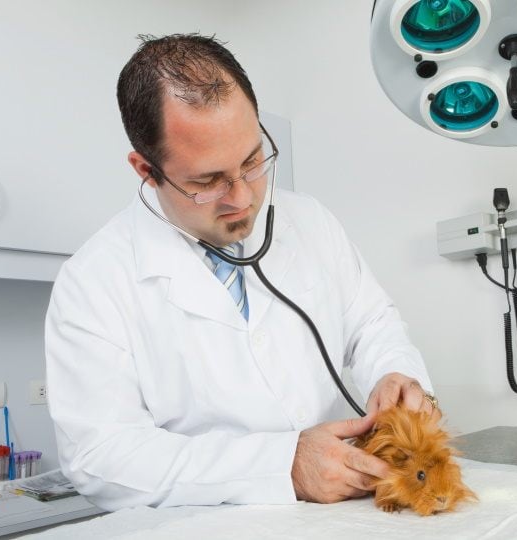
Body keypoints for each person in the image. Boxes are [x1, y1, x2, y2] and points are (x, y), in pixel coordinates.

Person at [45, 33, 438, 512]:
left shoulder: (308, 219)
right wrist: (282, 464)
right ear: (146, 170)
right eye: (208, 182)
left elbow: (372, 324)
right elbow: (101, 457)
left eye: (253, 161)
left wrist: (397, 375)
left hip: (347, 516)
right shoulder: (94, 281)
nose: (245, 197)